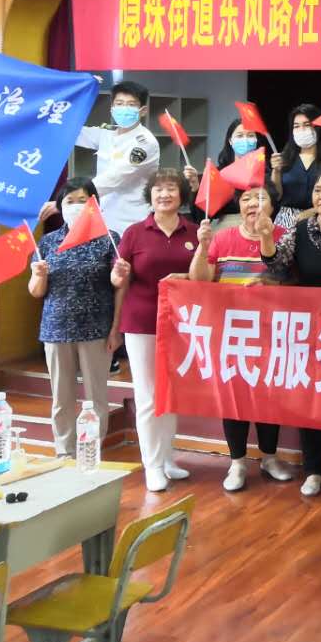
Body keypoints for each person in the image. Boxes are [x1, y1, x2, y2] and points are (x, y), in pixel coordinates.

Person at [188, 177, 296, 492]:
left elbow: (297, 283)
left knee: (270, 398)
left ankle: (269, 458)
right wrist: (203, 247)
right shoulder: (222, 238)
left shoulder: (285, 238)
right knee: (233, 398)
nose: (252, 204)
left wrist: (270, 285)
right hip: (231, 334)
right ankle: (236, 462)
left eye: (260, 198)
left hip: (273, 333)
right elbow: (200, 280)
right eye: (247, 198)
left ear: (273, 206)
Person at [261, 168, 321, 496]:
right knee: (310, 398)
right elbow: (277, 264)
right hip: (309, 326)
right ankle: (313, 469)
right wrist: (266, 237)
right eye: (317, 190)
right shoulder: (301, 228)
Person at [108, 167, 199, 493]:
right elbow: (118, 280)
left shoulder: (194, 232)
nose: (164, 194)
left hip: (181, 322)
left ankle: (167, 457)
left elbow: (204, 276)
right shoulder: (135, 232)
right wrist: (118, 275)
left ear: (181, 195)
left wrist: (184, 278)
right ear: (150, 195)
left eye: (171, 188)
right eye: (159, 189)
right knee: (148, 397)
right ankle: (152, 465)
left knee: (170, 394)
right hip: (142, 322)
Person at [28, 177, 113, 460]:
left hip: (96, 329)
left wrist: (116, 329)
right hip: (56, 329)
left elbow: (119, 285)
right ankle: (64, 451)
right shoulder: (48, 241)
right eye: (69, 201)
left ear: (94, 204)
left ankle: (91, 449)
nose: (76, 206)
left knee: (96, 397)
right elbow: (36, 291)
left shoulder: (108, 239)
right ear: (60, 206)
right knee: (61, 397)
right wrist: (38, 276)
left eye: (82, 201)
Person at [73, 80, 162, 236]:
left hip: (131, 220)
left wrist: (74, 196)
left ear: (143, 111)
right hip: (103, 216)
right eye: (119, 104)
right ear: (112, 108)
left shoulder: (145, 143)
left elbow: (114, 178)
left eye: (131, 104)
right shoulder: (108, 133)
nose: (124, 109)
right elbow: (74, 134)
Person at [272, 103, 321, 228]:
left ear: (318, 127)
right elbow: (276, 196)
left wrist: (314, 211)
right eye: (296, 126)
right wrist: (276, 171)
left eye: (307, 125)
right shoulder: (285, 159)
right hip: (286, 221)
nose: (301, 130)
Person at [209, 116, 276, 228]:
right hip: (227, 226)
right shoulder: (221, 172)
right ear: (230, 141)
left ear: (256, 140)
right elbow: (210, 210)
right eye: (240, 136)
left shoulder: (265, 170)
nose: (245, 140)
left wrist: (276, 171)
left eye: (250, 135)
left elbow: (274, 201)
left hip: (259, 224)